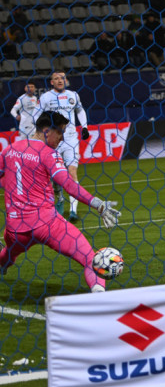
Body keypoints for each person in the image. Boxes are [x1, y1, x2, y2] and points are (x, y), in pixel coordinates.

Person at [0, 111, 121, 292]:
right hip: (47, 224)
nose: (62, 138)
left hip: (16, 229)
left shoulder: (9, 150)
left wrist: (11, 187)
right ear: (47, 131)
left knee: (10, 253)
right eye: (60, 132)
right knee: (91, 259)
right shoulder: (48, 154)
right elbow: (68, 185)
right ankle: (100, 297)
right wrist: (99, 204)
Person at [38, 72, 89, 222]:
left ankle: (73, 211)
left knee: (72, 172)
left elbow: (80, 110)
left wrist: (84, 127)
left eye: (62, 78)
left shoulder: (73, 95)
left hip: (71, 139)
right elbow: (37, 114)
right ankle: (59, 198)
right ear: (51, 82)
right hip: (54, 140)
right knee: (55, 175)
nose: (60, 80)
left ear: (65, 81)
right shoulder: (46, 97)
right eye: (56, 79)